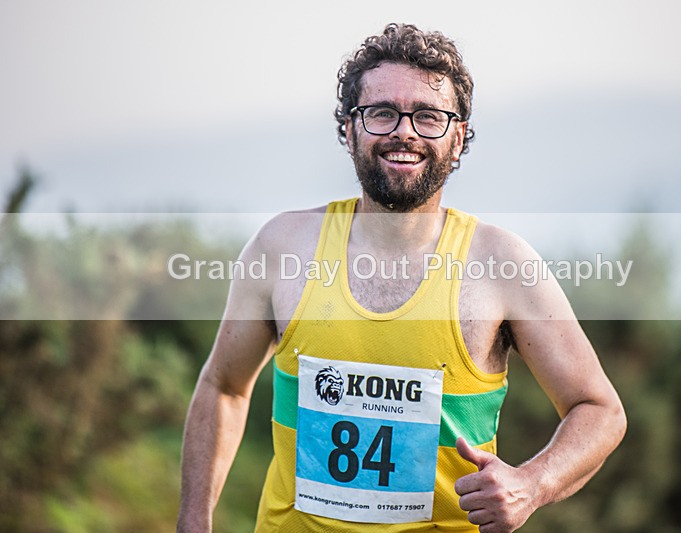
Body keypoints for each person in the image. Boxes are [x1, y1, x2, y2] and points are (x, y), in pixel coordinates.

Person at [177, 23, 626, 533]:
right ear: (349, 129)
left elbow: (600, 410)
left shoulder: (503, 265)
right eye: (382, 113)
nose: (404, 131)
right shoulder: (282, 247)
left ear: (458, 138)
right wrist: (194, 521)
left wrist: (532, 484)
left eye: (428, 116)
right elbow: (224, 386)